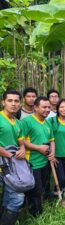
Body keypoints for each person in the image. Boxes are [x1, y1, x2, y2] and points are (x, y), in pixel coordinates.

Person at [22, 96, 56, 216]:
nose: (47, 109)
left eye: (48, 107)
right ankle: (35, 215)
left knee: (42, 188)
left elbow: (51, 140)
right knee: (35, 191)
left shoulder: (47, 122)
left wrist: (52, 152)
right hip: (31, 162)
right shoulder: (27, 122)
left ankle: (38, 210)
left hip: (45, 162)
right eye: (44, 107)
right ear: (36, 107)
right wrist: (38, 148)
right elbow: (21, 141)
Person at [0, 90, 26, 224]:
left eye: (16, 101)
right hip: (3, 163)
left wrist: (22, 149)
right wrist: (9, 154)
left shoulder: (18, 123)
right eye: (10, 101)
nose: (13, 104)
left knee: (16, 196)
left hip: (11, 166)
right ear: (3, 102)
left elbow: (21, 143)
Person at [48, 99, 65, 194]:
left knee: (64, 177)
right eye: (62, 107)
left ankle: (60, 193)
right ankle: (56, 193)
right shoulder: (51, 121)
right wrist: (52, 153)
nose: (64, 109)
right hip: (56, 155)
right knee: (61, 178)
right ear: (58, 108)